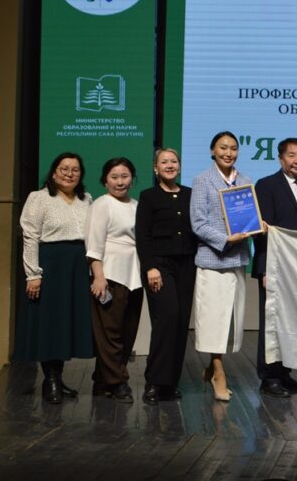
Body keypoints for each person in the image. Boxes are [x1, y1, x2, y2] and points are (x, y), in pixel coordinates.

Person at [14, 152, 94, 404]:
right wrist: (33, 274)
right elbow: (30, 237)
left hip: (78, 267)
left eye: (75, 169)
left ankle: (57, 377)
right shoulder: (39, 198)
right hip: (50, 265)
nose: (69, 173)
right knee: (50, 322)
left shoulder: (86, 199)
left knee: (65, 323)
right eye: (64, 168)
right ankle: (49, 380)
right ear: (53, 172)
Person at [191, 131, 256, 401]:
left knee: (229, 321)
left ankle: (212, 367)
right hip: (213, 260)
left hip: (237, 259)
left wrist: (257, 225)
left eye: (233, 148)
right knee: (212, 320)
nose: (228, 153)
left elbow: (249, 217)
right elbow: (198, 223)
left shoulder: (245, 180)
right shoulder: (202, 180)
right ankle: (218, 373)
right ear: (212, 151)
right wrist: (225, 239)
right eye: (223, 147)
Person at [252, 137, 297, 398]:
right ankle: (268, 376)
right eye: (291, 155)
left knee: (291, 321)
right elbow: (261, 231)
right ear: (281, 159)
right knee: (271, 322)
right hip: (275, 267)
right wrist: (265, 269)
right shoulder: (266, 185)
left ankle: (284, 372)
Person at [135, 148, 198, 405]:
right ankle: (154, 382)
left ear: (179, 167)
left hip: (187, 265)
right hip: (159, 266)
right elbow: (142, 235)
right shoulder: (148, 196)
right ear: (155, 168)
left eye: (173, 161)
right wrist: (150, 267)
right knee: (166, 319)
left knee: (181, 322)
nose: (170, 165)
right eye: (164, 162)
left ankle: (170, 383)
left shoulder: (190, 194)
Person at [85, 157, 142, 403]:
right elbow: (93, 243)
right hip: (110, 275)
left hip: (135, 275)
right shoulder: (102, 204)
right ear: (105, 181)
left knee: (128, 332)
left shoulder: (137, 205)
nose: (120, 182)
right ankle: (118, 382)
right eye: (114, 177)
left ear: (132, 179)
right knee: (110, 334)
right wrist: (99, 276)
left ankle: (102, 379)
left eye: (125, 176)